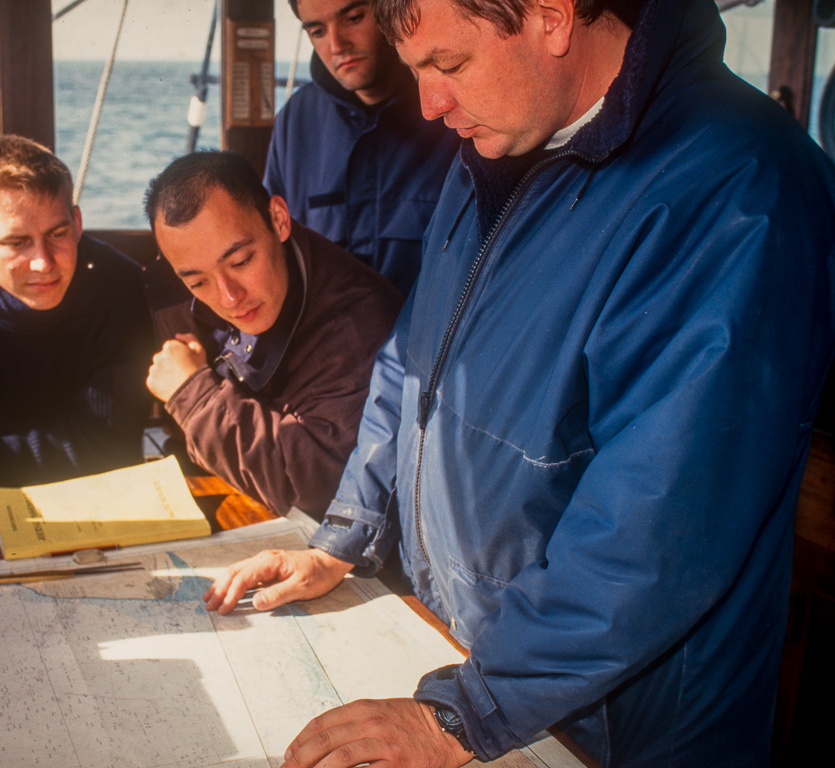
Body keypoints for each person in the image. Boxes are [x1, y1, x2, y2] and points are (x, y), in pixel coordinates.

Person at [202, 1, 835, 766]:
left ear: (552, 16)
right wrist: (347, 535)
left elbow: (663, 524)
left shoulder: (740, 188)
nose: (430, 106)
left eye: (448, 65)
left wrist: (464, 714)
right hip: (484, 662)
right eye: (417, 72)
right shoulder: (492, 143)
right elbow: (413, 360)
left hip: (625, 727)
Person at [143, 151, 402, 518]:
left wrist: (193, 397)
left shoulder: (356, 328)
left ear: (278, 220)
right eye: (198, 281)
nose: (229, 297)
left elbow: (318, 487)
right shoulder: (238, 290)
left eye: (241, 262)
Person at [0, 135, 152, 494]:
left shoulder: (119, 289)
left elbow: (111, 448)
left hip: (101, 494)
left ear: (77, 223)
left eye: (57, 234)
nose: (44, 262)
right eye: (17, 242)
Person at [264, 0, 459, 296]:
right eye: (317, 31)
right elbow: (270, 254)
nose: (337, 45)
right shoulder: (295, 121)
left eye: (353, 18)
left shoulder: (454, 108)